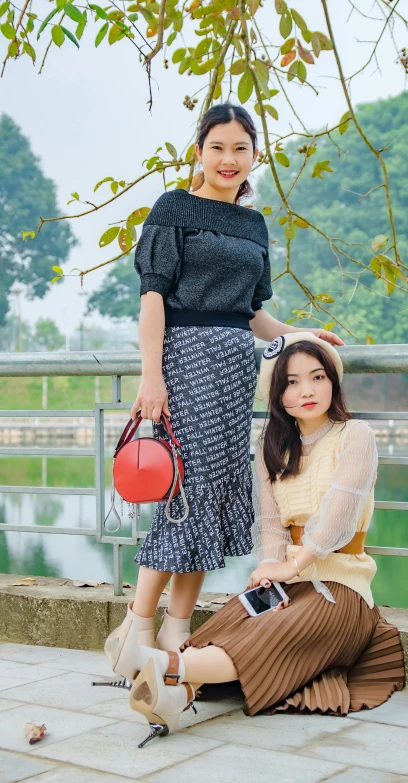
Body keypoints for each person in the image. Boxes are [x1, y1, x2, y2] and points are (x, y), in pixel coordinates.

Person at [103, 104, 344, 684]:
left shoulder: (253, 225)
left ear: (254, 154)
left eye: (241, 148)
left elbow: (252, 312)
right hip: (184, 362)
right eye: (218, 147)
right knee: (186, 493)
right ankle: (136, 632)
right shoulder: (173, 209)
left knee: (213, 496)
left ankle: (175, 636)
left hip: (236, 369)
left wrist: (301, 335)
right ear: (200, 150)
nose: (229, 159)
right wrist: (151, 376)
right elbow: (153, 299)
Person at [122, 333, 405, 748]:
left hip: (342, 590)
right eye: (291, 382)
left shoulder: (355, 435)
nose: (306, 390)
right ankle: (176, 688)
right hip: (287, 583)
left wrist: (291, 566)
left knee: (274, 635)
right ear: (277, 394)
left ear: (333, 382)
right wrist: (273, 575)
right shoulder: (271, 445)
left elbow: (337, 518)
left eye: (318, 376)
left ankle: (163, 667)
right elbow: (271, 525)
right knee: (229, 628)